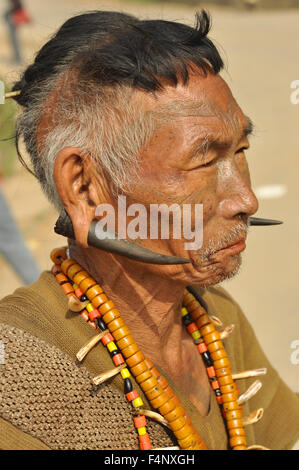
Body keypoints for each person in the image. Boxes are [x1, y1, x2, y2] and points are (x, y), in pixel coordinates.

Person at [0, 10, 298, 450]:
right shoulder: (20, 377)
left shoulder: (212, 315)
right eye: (203, 160)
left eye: (240, 150)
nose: (246, 200)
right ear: (84, 187)